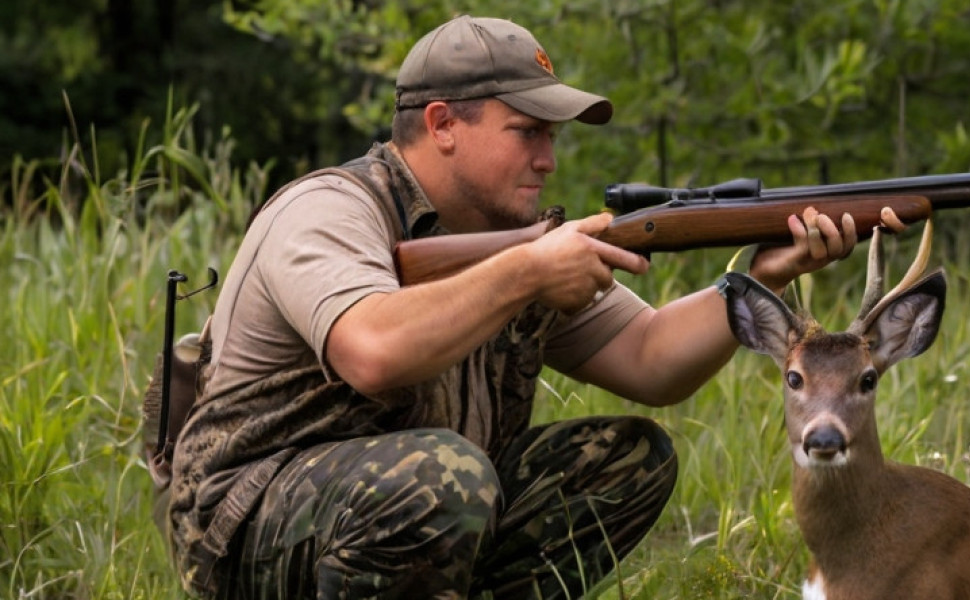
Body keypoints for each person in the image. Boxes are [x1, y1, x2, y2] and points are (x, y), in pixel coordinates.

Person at [163, 14, 900, 600]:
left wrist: (756, 281)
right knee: (444, 474)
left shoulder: (506, 245)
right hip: (243, 531)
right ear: (445, 123)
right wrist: (525, 273)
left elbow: (652, 361)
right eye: (529, 132)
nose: (549, 159)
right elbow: (372, 350)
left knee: (625, 460)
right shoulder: (330, 210)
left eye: (552, 136)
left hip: (393, 514)